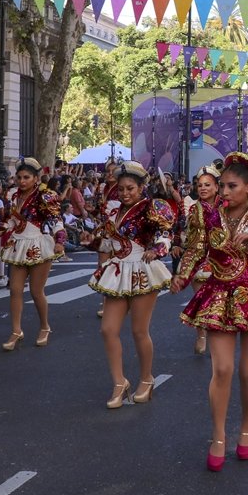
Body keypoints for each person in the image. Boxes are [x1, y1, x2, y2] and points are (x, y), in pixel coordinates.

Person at [172, 151, 248, 471]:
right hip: (218, 295)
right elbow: (196, 249)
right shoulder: (207, 214)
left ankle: (246, 428)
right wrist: (182, 276)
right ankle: (217, 435)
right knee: (222, 370)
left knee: (247, 373)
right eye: (222, 186)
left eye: (230, 186)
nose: (223, 192)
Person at [87, 162, 174, 408]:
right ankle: (119, 382)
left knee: (138, 331)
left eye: (130, 188)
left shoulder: (151, 208)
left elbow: (166, 235)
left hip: (143, 270)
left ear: (141, 187)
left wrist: (157, 249)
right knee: (108, 329)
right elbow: (107, 245)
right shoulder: (113, 213)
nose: (124, 193)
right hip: (117, 271)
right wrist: (91, 243)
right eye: (121, 189)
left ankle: (146, 379)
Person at [0, 158, 66, 351]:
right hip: (18, 245)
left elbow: (55, 220)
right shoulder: (13, 195)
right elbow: (12, 219)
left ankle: (44, 326)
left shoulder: (45, 196)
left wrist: (60, 241)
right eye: (19, 177)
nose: (22, 181)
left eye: (26, 177)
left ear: (36, 178)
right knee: (15, 290)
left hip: (38, 244)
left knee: (36, 292)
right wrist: (2, 229)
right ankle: (16, 330)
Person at [176, 161, 224, 355]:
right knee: (201, 299)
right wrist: (179, 245)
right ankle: (201, 335)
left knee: (219, 301)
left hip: (223, 260)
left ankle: (218, 334)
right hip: (200, 259)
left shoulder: (228, 206)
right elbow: (183, 229)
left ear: (216, 187)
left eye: (207, 185)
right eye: (200, 185)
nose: (203, 188)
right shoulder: (193, 207)